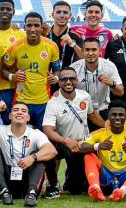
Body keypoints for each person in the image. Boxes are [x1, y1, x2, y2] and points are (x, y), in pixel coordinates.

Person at [0, 101, 58, 207]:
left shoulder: (36, 133)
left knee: (39, 155)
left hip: (27, 179)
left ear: (28, 117)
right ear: (10, 116)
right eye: (15, 110)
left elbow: (52, 150)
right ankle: (4, 192)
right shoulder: (0, 130)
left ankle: (31, 194)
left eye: (23, 111)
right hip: (6, 179)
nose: (19, 112)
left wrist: (32, 157)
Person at [43, 67, 105, 196]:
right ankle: (52, 184)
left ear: (77, 80)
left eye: (72, 78)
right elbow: (48, 130)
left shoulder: (85, 96)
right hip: (63, 143)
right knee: (48, 147)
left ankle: (70, 180)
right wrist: (66, 141)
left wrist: (107, 126)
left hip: (82, 144)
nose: (68, 82)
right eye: (64, 79)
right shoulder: (53, 102)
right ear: (59, 82)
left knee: (75, 190)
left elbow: (92, 116)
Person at [79, 99, 126, 202]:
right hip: (105, 175)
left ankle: (122, 192)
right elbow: (82, 148)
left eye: (121, 115)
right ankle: (96, 188)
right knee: (88, 155)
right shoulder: (99, 133)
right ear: (108, 117)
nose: (117, 118)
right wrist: (98, 146)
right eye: (114, 115)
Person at [1, 12, 60, 130]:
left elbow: (57, 69)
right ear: (24, 27)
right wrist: (12, 77)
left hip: (43, 101)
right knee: (20, 134)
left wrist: (56, 78)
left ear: (41, 27)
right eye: (29, 25)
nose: (33, 29)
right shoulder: (15, 47)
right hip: (21, 101)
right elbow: (2, 69)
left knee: (42, 136)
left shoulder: (52, 46)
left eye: (36, 25)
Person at [70, 37, 123, 126]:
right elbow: (67, 93)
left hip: (103, 110)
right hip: (81, 110)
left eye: (94, 50)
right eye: (87, 50)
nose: (90, 53)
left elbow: (120, 92)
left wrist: (112, 84)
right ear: (82, 51)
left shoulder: (109, 66)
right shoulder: (74, 68)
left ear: (100, 51)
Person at [0, 0, 26, 122]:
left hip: (14, 87)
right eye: (2, 9)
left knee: (13, 120)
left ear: (13, 12)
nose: (5, 11)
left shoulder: (20, 34)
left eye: (8, 9)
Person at [47, 1, 83, 72]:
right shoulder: (45, 35)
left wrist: (72, 43)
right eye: (58, 12)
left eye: (65, 12)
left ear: (70, 15)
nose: (62, 15)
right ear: (52, 15)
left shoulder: (75, 36)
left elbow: (84, 57)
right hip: (46, 79)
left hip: (66, 80)